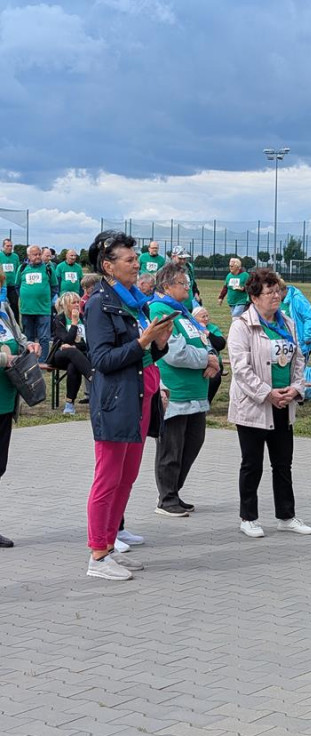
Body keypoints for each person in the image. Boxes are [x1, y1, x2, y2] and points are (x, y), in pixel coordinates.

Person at [84, 231, 173, 580]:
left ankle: (110, 544)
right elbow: (104, 359)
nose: (137, 264)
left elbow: (139, 354)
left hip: (139, 398)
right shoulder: (98, 303)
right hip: (116, 402)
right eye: (129, 259)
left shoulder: (132, 300)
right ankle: (97, 554)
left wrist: (158, 344)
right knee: (107, 478)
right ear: (108, 265)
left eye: (136, 258)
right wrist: (143, 341)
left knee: (127, 477)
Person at [227, 268, 311, 538]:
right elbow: (241, 369)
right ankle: (248, 517)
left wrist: (296, 388)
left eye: (278, 290)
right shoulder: (242, 325)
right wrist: (267, 393)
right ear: (254, 296)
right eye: (270, 292)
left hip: (283, 403)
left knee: (282, 463)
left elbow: (298, 359)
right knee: (252, 464)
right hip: (254, 405)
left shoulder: (287, 322)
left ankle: (286, 516)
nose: (276, 296)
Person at [149, 263, 220, 517]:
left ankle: (174, 491)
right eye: (183, 283)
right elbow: (174, 351)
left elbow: (204, 339)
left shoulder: (185, 312)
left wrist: (213, 357)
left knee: (193, 442)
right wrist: (206, 359)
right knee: (172, 448)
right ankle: (166, 498)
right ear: (167, 286)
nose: (188, 288)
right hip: (175, 392)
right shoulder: (159, 310)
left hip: (196, 392)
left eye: (188, 283)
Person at [0, 268, 41, 547]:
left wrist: (30, 346)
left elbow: (19, 336)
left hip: (5, 400)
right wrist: (6, 358)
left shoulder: (3, 309)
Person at [50, 292, 93, 415]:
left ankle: (69, 404)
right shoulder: (60, 319)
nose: (76, 305)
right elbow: (66, 340)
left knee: (73, 366)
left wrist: (75, 345)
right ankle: (92, 377)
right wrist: (74, 323)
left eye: (77, 302)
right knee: (71, 351)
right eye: (73, 302)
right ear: (66, 305)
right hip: (60, 355)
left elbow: (87, 343)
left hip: (79, 356)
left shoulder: (84, 318)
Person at [15, 244, 58, 362]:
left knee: (44, 337)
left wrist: (45, 300)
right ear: (29, 255)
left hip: (43, 309)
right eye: (35, 254)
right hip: (27, 309)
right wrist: (26, 297)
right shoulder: (22, 268)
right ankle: (29, 360)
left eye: (39, 254)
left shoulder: (48, 268)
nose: (38, 256)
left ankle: (42, 361)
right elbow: (17, 286)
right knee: (28, 337)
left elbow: (54, 287)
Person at [278, 279, 311, 360]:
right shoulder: (278, 302)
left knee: (298, 369)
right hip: (287, 342)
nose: (275, 295)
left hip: (301, 342)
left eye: (277, 292)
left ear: (283, 290)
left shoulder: (297, 299)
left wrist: (307, 337)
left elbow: (309, 318)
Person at [192, 305, 227, 403]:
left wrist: (207, 333)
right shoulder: (191, 328)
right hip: (197, 360)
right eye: (203, 317)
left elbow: (221, 345)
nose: (206, 319)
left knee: (214, 378)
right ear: (194, 318)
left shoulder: (212, 328)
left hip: (214, 362)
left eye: (207, 316)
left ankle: (206, 402)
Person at [0, 239, 20, 322]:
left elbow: (18, 268)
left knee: (14, 306)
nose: (9, 247)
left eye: (11, 246)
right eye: (7, 246)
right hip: (2, 285)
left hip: (12, 285)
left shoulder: (15, 256)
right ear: (3, 246)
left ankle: (16, 324)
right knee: (2, 305)